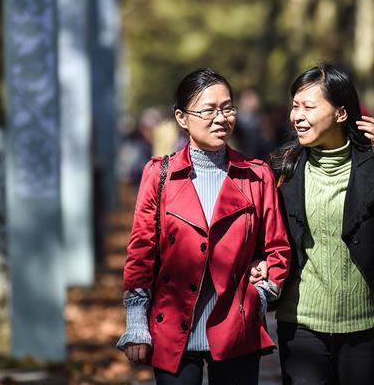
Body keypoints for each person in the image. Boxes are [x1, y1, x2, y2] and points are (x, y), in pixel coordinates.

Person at [117, 69, 291, 384]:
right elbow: (141, 251)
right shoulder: (159, 175)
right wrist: (136, 323)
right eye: (209, 110)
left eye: (228, 108)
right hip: (172, 328)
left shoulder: (257, 175)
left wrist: (259, 297)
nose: (221, 118)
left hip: (236, 328)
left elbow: (277, 247)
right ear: (182, 118)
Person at [253, 62, 374, 385]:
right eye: (295, 106)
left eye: (308, 107)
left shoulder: (372, 160)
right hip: (300, 320)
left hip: (364, 322)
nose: (296, 115)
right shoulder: (283, 168)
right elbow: (265, 231)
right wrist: (259, 261)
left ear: (341, 113)